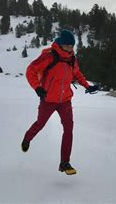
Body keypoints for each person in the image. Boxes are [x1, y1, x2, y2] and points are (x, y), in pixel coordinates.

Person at [22, 29, 99, 175]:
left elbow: (77, 74)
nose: (70, 48)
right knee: (40, 124)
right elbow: (30, 70)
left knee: (68, 129)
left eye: (72, 45)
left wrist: (88, 86)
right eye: (68, 45)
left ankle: (65, 162)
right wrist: (37, 88)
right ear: (61, 44)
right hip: (48, 99)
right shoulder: (50, 56)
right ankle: (27, 138)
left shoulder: (72, 59)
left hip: (65, 101)